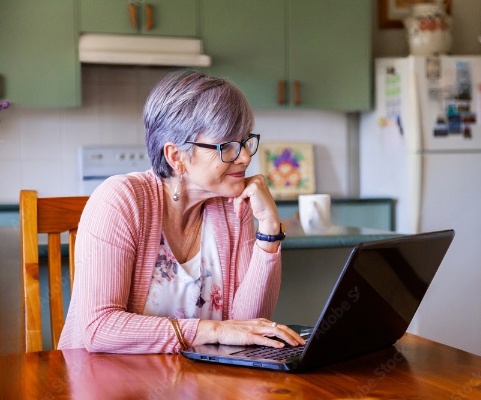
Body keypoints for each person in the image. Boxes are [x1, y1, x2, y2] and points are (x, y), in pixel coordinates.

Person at [58, 70, 305, 353]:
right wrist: (210, 330)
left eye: (246, 141)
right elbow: (99, 328)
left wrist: (270, 227)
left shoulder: (231, 205)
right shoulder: (120, 200)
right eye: (227, 146)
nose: (246, 157)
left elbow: (247, 327)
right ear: (176, 156)